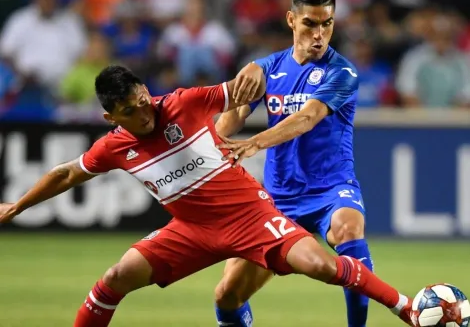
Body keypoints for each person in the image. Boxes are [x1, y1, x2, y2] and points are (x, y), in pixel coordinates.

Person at [0, 65, 413, 327]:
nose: (144, 113)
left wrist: (254, 69)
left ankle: (406, 308)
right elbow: (68, 172)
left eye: (143, 100)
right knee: (114, 280)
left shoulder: (185, 102)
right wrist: (17, 206)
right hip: (191, 230)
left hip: (251, 216)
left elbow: (247, 86)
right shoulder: (112, 147)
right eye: (130, 111)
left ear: (146, 89)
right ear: (111, 117)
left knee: (320, 266)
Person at [213, 0, 382, 327]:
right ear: (292, 20)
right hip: (278, 200)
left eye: (327, 23)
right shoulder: (267, 69)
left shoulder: (343, 73)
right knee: (227, 296)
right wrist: (201, 145)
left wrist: (255, 142)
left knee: (349, 230)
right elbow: (228, 123)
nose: (319, 34)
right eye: (310, 23)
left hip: (331, 189)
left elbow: (307, 118)